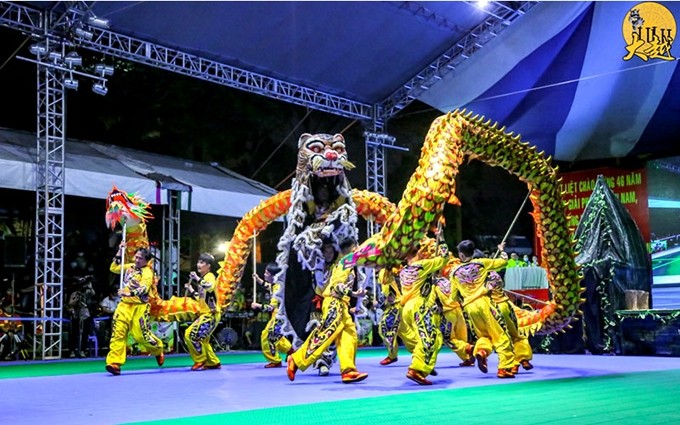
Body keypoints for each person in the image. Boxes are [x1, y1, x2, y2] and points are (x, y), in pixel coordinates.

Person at [287, 237, 369, 383]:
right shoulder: (345, 263)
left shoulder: (346, 263)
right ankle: (296, 359)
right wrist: (354, 294)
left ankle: (348, 370)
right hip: (334, 303)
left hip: (342, 304)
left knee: (349, 335)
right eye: (357, 248)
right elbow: (336, 285)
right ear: (353, 248)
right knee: (326, 334)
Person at [449, 240, 515, 379]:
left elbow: (454, 296)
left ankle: (482, 351)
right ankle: (504, 367)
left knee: (483, 336)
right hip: (484, 303)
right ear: (472, 252)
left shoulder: (454, 272)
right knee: (500, 334)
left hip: (469, 307)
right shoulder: (482, 263)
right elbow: (503, 261)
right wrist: (501, 249)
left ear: (460, 254)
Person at [105, 245, 164, 376]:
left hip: (140, 307)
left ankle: (158, 349)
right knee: (118, 333)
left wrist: (129, 293)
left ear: (146, 261)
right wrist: (120, 250)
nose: (137, 260)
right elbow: (114, 267)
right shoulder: (130, 267)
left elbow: (143, 288)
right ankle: (115, 363)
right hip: (124, 306)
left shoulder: (148, 273)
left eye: (140, 258)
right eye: (136, 257)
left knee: (140, 336)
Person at [399, 240, 449, 385]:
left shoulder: (404, 271)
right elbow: (444, 258)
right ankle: (415, 369)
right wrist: (443, 242)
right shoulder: (422, 266)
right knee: (427, 338)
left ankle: (425, 366)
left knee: (436, 337)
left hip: (407, 308)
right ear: (417, 252)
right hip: (418, 305)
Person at [486, 270, 534, 374]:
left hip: (492, 308)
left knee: (501, 338)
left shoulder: (480, 277)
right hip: (505, 305)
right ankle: (522, 359)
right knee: (515, 335)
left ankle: (511, 365)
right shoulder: (496, 275)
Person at [183, 253, 222, 371]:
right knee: (203, 340)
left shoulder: (209, 276)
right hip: (206, 313)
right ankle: (213, 362)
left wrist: (197, 279)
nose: (198, 265)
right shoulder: (204, 279)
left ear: (208, 266)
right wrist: (191, 290)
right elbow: (201, 297)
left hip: (211, 314)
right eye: (198, 262)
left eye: (202, 262)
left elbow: (209, 287)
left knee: (190, 335)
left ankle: (200, 360)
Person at [251, 262, 293, 368]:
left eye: (266, 273)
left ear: (273, 275)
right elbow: (268, 286)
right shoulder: (276, 285)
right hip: (279, 316)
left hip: (281, 317)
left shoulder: (278, 289)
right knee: (276, 337)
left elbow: (271, 307)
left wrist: (258, 306)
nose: (264, 274)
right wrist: (258, 279)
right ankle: (291, 351)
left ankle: (275, 360)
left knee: (267, 336)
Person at [376, 265, 418, 366]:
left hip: (394, 306)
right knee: (404, 331)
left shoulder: (384, 272)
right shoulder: (389, 271)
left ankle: (393, 355)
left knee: (385, 330)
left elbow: (386, 292)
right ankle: (420, 351)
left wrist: (379, 303)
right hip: (400, 304)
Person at [66, 275, 96, 358]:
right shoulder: (74, 293)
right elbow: (70, 303)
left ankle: (83, 350)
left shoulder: (87, 292)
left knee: (85, 333)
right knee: (74, 333)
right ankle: (72, 350)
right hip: (76, 314)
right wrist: (76, 300)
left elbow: (93, 293)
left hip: (85, 314)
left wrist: (90, 286)